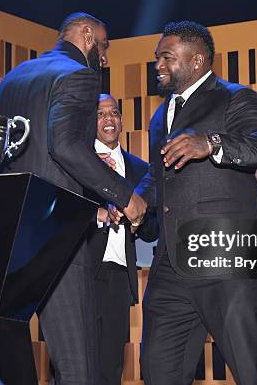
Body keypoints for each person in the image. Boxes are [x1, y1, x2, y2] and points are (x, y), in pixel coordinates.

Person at [0, 13, 147, 385]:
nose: (105, 58)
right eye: (105, 46)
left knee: (9, 363)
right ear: (88, 36)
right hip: (56, 237)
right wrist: (126, 196)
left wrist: (93, 210)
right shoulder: (79, 75)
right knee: (80, 368)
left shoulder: (12, 79)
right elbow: (65, 147)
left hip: (11, 235)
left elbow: (18, 158)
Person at [132, 21, 257, 385]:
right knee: (158, 371)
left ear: (197, 60)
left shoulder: (235, 97)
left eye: (166, 57)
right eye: (157, 58)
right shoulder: (160, 116)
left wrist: (213, 143)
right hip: (171, 264)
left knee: (249, 370)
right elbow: (159, 176)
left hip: (226, 256)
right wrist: (131, 200)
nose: (158, 65)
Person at [87, 94, 159, 385]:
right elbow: (60, 209)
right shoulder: (76, 161)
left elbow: (154, 228)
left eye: (114, 112)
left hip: (119, 276)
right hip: (80, 272)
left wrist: (139, 220)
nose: (108, 119)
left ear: (121, 120)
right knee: (74, 362)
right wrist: (99, 215)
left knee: (110, 364)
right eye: (100, 114)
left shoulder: (141, 169)